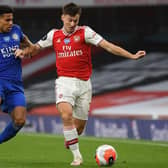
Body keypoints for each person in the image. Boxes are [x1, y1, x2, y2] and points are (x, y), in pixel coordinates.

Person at [15, 2, 146, 166]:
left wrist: (131, 56)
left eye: (75, 21)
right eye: (69, 20)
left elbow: (108, 46)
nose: (72, 24)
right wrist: (24, 52)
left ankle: (70, 139)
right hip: (64, 82)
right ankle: (77, 157)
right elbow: (35, 49)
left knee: (78, 129)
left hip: (84, 85)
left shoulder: (86, 32)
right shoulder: (53, 35)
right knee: (66, 115)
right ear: (62, 17)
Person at [0, 5, 33, 144]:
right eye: (7, 20)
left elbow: (32, 48)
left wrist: (24, 51)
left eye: (11, 19)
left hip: (15, 84)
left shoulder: (16, 30)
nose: (10, 23)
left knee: (19, 120)